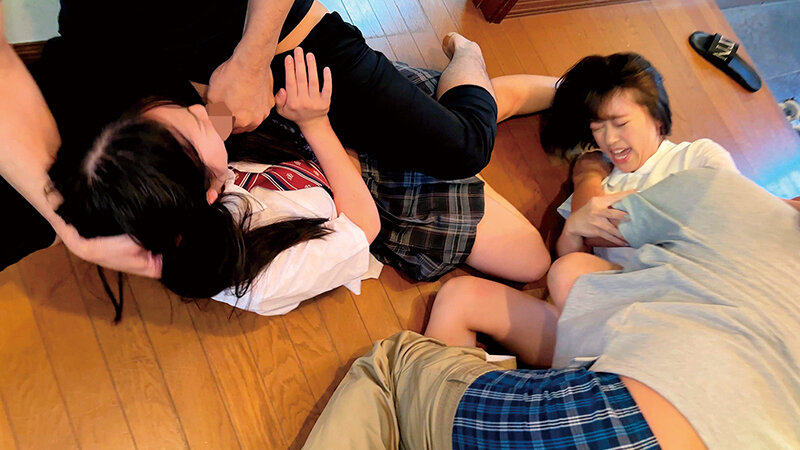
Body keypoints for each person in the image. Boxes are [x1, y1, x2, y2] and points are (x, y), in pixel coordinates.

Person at [1, 0, 558, 277]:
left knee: (465, 147)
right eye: (197, 127)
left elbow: (362, 228)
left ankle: (470, 62)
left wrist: (252, 58)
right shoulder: (143, 107)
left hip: (270, 35)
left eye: (198, 123)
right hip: (117, 52)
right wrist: (65, 222)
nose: (203, 116)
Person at [303, 168, 800, 449]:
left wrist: (587, 172)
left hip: (618, 417)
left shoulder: (721, 188)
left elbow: (574, 254)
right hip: (621, 360)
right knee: (466, 297)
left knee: (393, 369)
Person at [423, 53, 740, 364]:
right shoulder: (601, 178)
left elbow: (720, 223)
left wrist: (599, 200)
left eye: (621, 123)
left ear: (657, 116)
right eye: (598, 127)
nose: (610, 139)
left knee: (571, 274)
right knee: (459, 297)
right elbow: (569, 263)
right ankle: (444, 393)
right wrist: (575, 227)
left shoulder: (697, 158)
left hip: (664, 325)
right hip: (592, 327)